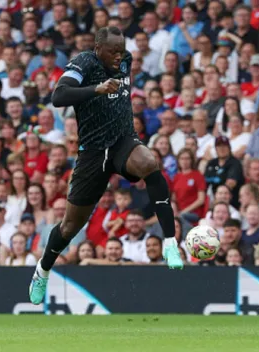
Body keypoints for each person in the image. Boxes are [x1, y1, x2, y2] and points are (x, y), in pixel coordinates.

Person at [29, 27, 183, 306]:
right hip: (93, 152)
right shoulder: (83, 63)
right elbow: (59, 96)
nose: (118, 56)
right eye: (113, 50)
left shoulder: (126, 60)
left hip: (123, 141)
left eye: (121, 50)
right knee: (70, 226)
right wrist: (96, 89)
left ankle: (170, 243)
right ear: (97, 48)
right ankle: (43, 269)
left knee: (149, 162)